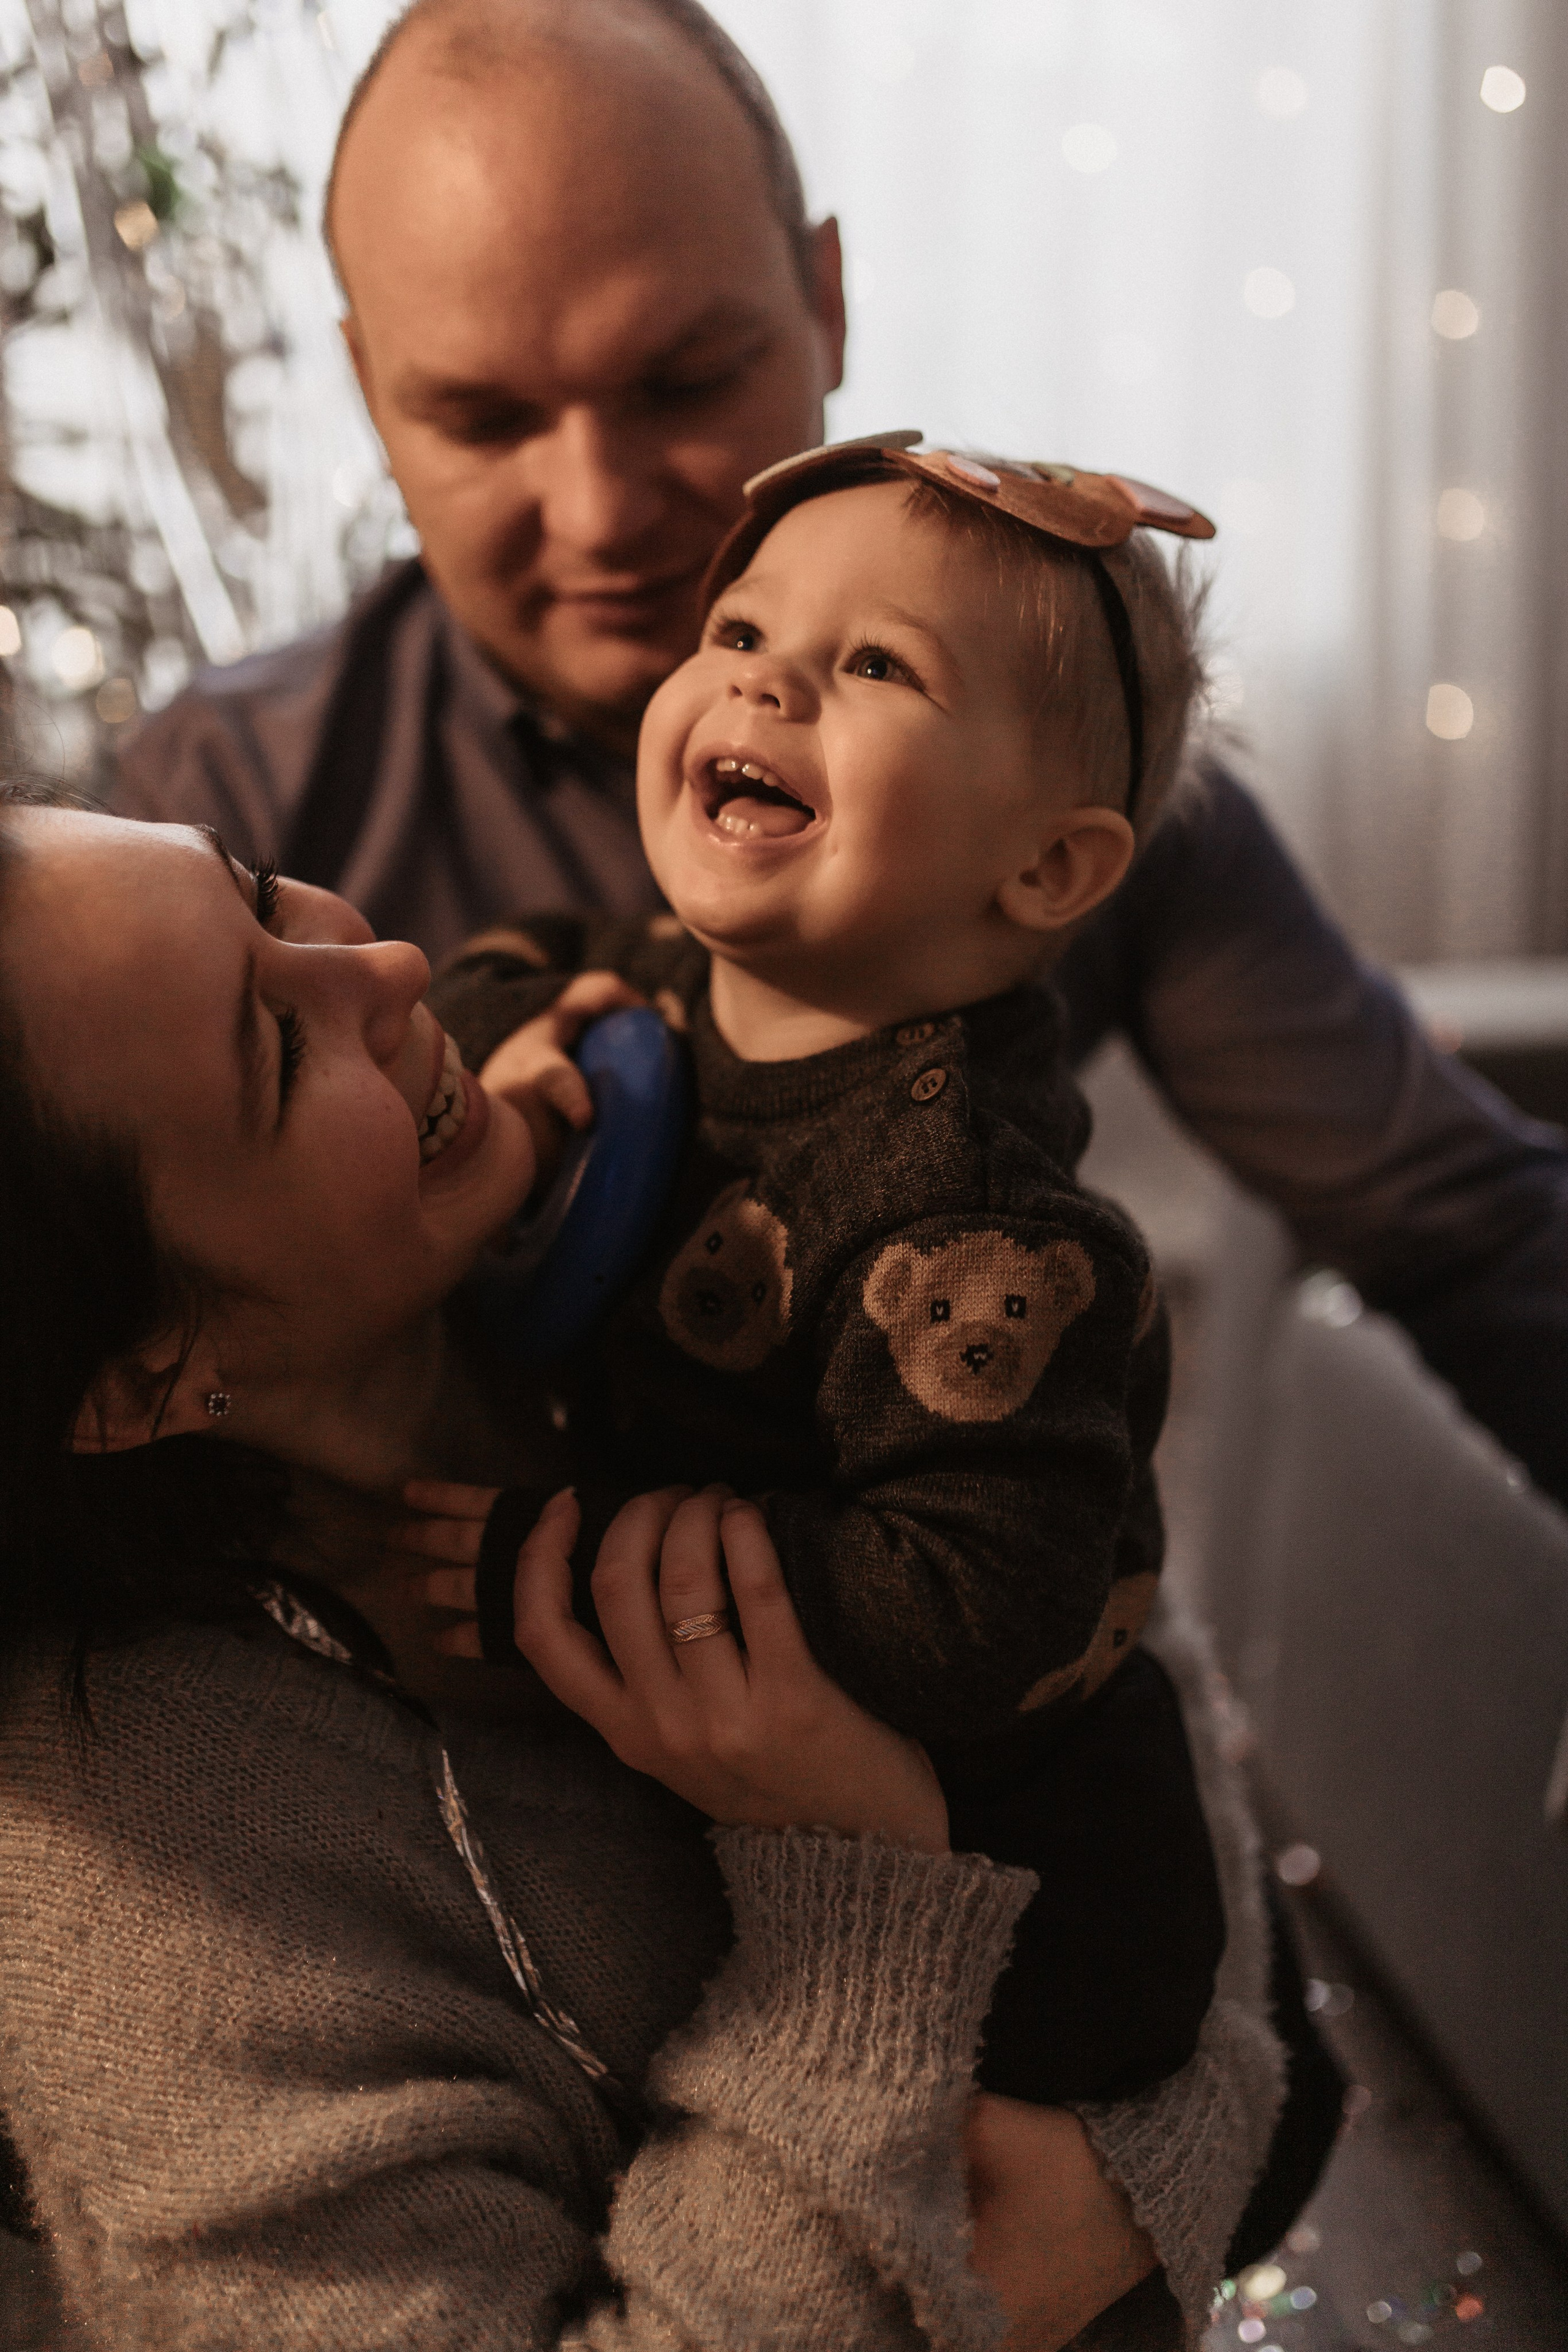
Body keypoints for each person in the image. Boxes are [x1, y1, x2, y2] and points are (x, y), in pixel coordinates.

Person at [108, 0, 1568, 1515]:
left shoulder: (1055, 740)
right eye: (480, 418)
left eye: (679, 382)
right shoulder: (226, 826)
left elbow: (1459, 1227)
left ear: (827, 298)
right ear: (368, 392)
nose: (601, 512)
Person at [0, 791, 1283, 2348]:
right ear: (137, 1375)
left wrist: (1149, 2155)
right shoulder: (140, 1914)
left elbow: (1123, 1649)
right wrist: (859, 1900)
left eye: (263, 891)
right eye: (276, 1049)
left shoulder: (663, 1233)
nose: (392, 964)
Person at [417, 442, 1229, 2117]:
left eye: (873, 665)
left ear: (1049, 871)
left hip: (1015, 1848)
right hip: (716, 1773)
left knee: (1007, 2141)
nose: (766, 676)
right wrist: (512, 1042)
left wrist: (562, 1568)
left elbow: (961, 1609)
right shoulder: (671, 975)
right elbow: (500, 970)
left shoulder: (973, 1221)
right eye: (739, 633)